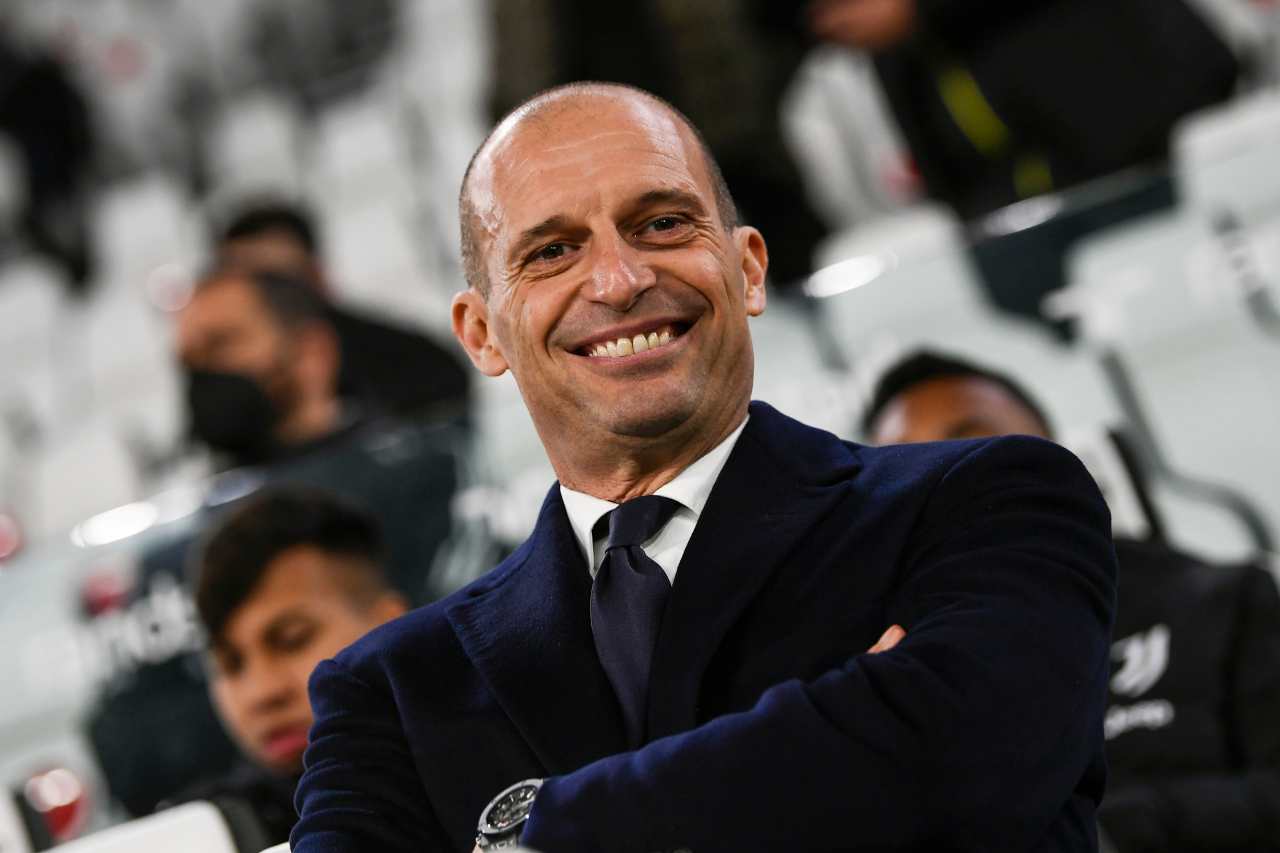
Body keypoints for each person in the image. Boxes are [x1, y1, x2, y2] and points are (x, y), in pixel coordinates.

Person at [291, 82, 1116, 852]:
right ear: (481, 333)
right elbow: (895, 768)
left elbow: (966, 761)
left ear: (748, 268)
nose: (618, 281)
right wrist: (839, 741)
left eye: (660, 224)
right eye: (553, 250)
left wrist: (528, 830)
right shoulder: (391, 691)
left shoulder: (987, 502)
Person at [863, 350, 1280, 853]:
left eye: (973, 441)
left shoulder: (1222, 599)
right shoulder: (901, 669)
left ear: (1054, 454)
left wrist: (1115, 829)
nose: (947, 475)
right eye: (912, 466)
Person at [182, 487, 408, 846]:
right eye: (230, 664)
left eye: (293, 640)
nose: (261, 692)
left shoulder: (486, 751)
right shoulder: (199, 834)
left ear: (390, 625)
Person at [213, 200, 469, 420]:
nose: (265, 298)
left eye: (277, 281)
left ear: (316, 275)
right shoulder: (225, 380)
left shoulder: (410, 359)